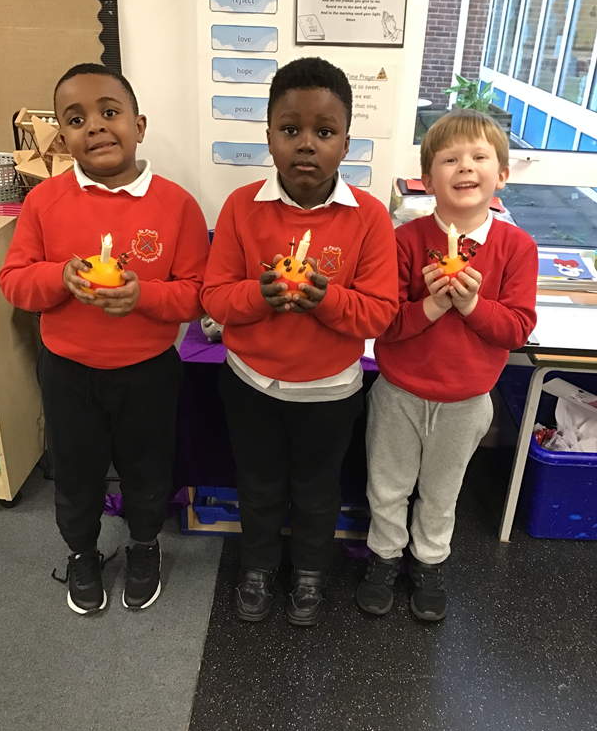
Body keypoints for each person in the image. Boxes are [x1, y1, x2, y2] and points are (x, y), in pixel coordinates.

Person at [0, 63, 209, 614]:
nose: (94, 126)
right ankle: (81, 552)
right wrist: (59, 278)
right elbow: (14, 281)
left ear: (139, 126)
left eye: (109, 112)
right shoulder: (45, 201)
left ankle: (144, 545)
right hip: (67, 372)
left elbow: (196, 295)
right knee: (75, 473)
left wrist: (144, 296)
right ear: (62, 138)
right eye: (75, 120)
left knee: (147, 469)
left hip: (148, 372)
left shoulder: (177, 205)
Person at [202, 57, 399, 626]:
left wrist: (326, 299)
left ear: (346, 143)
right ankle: (258, 567)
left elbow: (380, 314)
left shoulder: (369, 219)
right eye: (290, 130)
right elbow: (214, 298)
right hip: (252, 384)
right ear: (269, 138)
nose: (306, 144)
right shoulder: (241, 207)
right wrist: (259, 295)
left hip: (329, 391)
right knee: (258, 484)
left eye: (324, 131)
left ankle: (311, 572)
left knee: (317, 490)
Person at [356, 108, 538, 621]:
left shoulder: (516, 247)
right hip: (399, 392)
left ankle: (429, 561)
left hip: (466, 400)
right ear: (427, 178)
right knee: (387, 485)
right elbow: (384, 323)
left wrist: (472, 305)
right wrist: (433, 304)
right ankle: (384, 558)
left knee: (441, 491)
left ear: (501, 175)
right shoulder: (404, 241)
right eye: (450, 159)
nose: (465, 167)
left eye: (479, 157)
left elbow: (517, 329)